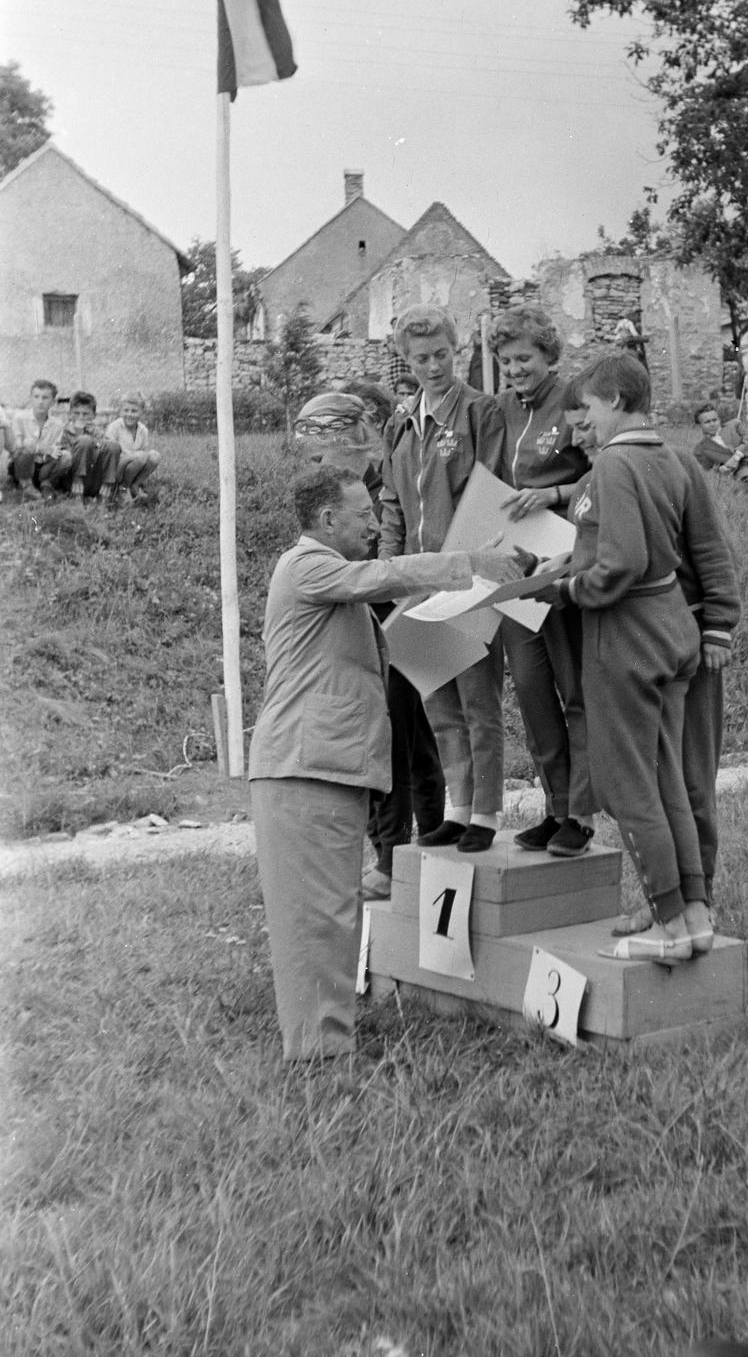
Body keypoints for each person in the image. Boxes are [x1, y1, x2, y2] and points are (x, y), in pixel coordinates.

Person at [248, 463, 521, 1061]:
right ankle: (320, 1052)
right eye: (364, 516)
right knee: (316, 917)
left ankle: (328, 1037)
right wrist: (468, 565)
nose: (375, 527)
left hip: (324, 765)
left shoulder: (330, 579)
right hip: (303, 766)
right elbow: (385, 574)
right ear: (326, 520)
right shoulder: (307, 565)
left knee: (335, 911)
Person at [544, 353, 715, 965]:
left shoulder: (616, 462)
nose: (578, 426)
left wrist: (563, 589)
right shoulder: (668, 455)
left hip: (627, 633)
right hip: (671, 627)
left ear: (614, 399)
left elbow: (621, 564)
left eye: (585, 410)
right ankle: (693, 914)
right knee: (668, 778)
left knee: (628, 784)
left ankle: (666, 928)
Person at [378, 304, 509, 852]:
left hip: (471, 578)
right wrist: (389, 578)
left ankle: (488, 814)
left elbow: (496, 495)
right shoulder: (400, 424)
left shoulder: (481, 413)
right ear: (404, 361)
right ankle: (457, 808)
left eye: (441, 356)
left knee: (479, 704)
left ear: (459, 353)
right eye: (420, 358)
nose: (432, 367)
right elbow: (392, 506)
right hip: (418, 581)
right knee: (439, 703)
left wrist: (477, 573)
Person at [489, 305, 596, 857]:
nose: (514, 369)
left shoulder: (574, 398)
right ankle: (554, 808)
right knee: (532, 692)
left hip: (565, 562)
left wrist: (555, 495)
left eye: (524, 358)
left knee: (574, 690)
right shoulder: (502, 408)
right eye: (506, 361)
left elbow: (607, 471)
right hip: (516, 566)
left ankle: (581, 814)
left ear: (548, 356)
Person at [341, 378, 449, 898]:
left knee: (401, 734)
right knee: (405, 734)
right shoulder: (338, 481)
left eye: (359, 418)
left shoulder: (394, 472)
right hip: (369, 614)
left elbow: (403, 534)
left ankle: (394, 855)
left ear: (380, 425)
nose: (348, 430)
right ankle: (422, 838)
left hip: (404, 607)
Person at [54, 390, 122, 502]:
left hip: (93, 478)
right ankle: (77, 494)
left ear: (93, 415)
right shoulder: (64, 431)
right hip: (72, 480)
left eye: (85, 414)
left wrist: (94, 440)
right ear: (70, 414)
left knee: (113, 445)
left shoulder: (97, 432)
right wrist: (80, 437)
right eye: (76, 413)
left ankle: (106, 490)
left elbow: (107, 451)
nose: (80, 417)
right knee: (84, 440)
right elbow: (63, 456)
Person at [8, 379, 69, 498]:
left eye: (45, 398)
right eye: (36, 397)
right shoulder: (19, 418)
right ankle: (26, 485)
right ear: (31, 398)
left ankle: (47, 484)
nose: (40, 402)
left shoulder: (58, 425)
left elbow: (55, 452)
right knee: (26, 444)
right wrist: (40, 448)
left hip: (43, 468)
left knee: (66, 456)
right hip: (22, 467)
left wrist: (48, 451)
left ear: (53, 402)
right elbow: (18, 446)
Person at [104, 394, 161, 503]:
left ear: (141, 412)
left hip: (134, 465)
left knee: (155, 455)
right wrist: (133, 457)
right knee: (139, 457)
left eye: (134, 411)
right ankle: (122, 488)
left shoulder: (143, 430)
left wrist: (137, 457)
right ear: (120, 411)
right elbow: (109, 453)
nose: (129, 414)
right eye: (126, 410)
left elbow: (144, 452)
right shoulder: (114, 427)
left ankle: (135, 485)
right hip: (116, 468)